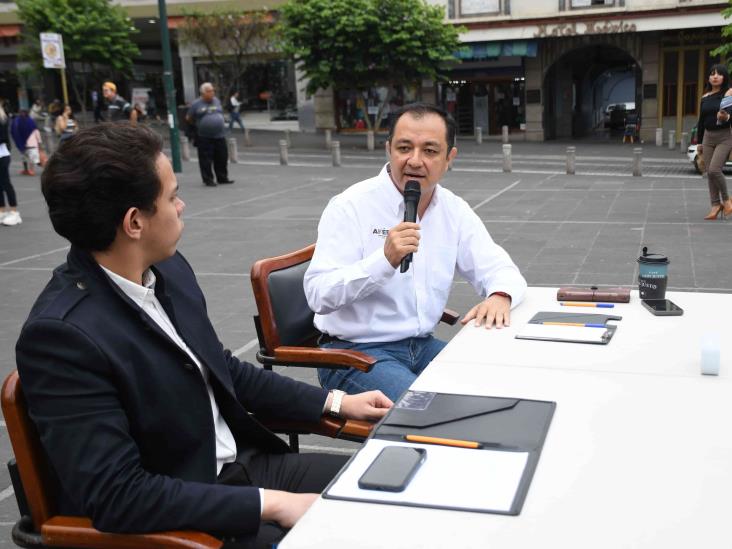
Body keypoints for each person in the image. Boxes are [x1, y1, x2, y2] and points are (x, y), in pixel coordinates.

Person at [16, 123, 392, 548]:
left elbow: (222, 367)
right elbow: (117, 494)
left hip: (243, 467)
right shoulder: (62, 337)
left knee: (392, 500)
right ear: (134, 222)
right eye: (172, 196)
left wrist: (338, 401)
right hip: (182, 515)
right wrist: (272, 504)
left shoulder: (168, 269)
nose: (182, 205)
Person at [304, 103, 527, 402]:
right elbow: (318, 294)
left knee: (496, 392)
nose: (415, 161)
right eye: (404, 148)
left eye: (430, 151)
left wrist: (500, 294)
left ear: (450, 158)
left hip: (421, 345)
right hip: (354, 353)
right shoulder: (350, 206)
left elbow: (499, 267)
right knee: (432, 408)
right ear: (388, 149)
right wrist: (383, 261)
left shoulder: (453, 209)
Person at [696, 64, 732, 220]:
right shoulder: (705, 97)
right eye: (712, 74)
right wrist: (699, 141)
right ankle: (715, 205)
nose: (715, 76)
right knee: (709, 173)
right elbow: (701, 120)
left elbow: (730, 115)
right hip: (708, 137)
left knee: (714, 170)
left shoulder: (729, 93)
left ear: (724, 77)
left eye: (718, 74)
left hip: (725, 136)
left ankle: (727, 200)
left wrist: (726, 117)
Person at [187, 82, 233, 186]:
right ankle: (208, 179)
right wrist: (199, 125)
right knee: (206, 159)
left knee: (222, 157)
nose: (212, 93)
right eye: (209, 91)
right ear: (203, 93)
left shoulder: (216, 101)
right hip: (204, 136)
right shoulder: (196, 104)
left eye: (213, 91)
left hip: (219, 135)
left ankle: (222, 177)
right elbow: (189, 118)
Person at [0, 101, 20, 226]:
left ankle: (14, 212)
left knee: (6, 183)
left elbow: (3, 138)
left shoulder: (2, 119)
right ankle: (2, 211)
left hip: (2, 155)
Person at [10, 109, 38, 175]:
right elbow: (14, 130)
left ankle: (31, 170)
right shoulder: (17, 121)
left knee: (31, 156)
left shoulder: (29, 121)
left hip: (30, 142)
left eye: (23, 112)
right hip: (22, 141)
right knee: (23, 156)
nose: (22, 114)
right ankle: (26, 170)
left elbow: (34, 130)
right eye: (21, 112)